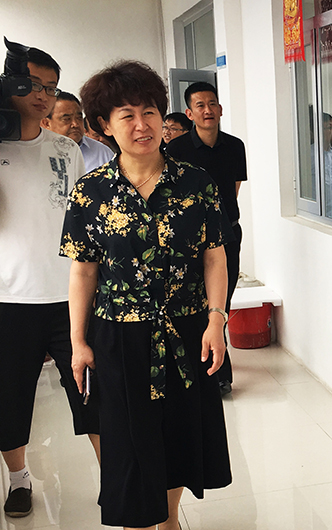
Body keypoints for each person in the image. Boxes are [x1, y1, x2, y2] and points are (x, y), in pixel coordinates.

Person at [62, 60, 233, 530]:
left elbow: (214, 256)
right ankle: (140, 521)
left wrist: (216, 318)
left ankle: (170, 519)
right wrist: (78, 341)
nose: (142, 125)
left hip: (186, 330)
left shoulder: (196, 183)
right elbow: (83, 270)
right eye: (127, 115)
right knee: (128, 442)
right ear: (104, 125)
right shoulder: (90, 192)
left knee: (178, 432)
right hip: (119, 336)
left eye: (150, 112)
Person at [0, 46, 99, 519]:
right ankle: (19, 479)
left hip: (69, 296)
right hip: (9, 298)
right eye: (34, 85)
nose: (43, 95)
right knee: (10, 400)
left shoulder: (66, 150)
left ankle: (114, 477)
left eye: (51, 87)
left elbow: (84, 224)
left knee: (94, 393)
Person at [166, 81, 247, 395]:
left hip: (227, 234)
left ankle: (218, 372)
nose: (207, 110)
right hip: (189, 240)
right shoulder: (176, 150)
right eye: (199, 105)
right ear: (189, 113)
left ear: (220, 109)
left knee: (220, 304)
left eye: (212, 103)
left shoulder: (235, 146)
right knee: (194, 303)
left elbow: (233, 190)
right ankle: (202, 369)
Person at [42, 91, 114, 171]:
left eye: (79, 118)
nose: (75, 124)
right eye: (67, 119)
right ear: (46, 123)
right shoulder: (37, 153)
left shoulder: (102, 153)